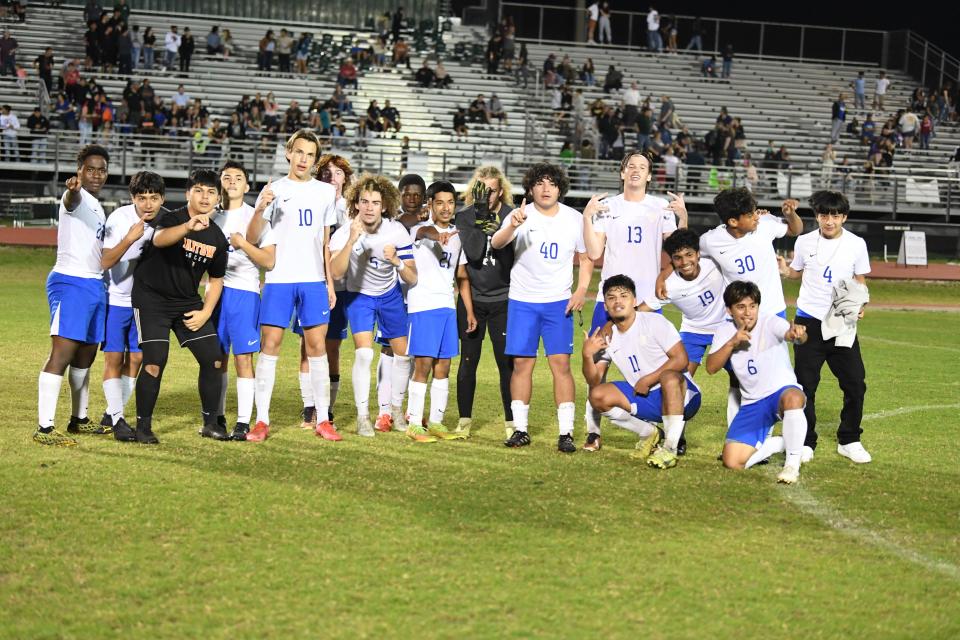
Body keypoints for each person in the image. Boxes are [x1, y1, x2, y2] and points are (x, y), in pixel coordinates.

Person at [660, 188, 802, 427]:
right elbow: (684, 252)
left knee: (772, 376)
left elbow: (795, 230)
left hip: (772, 313)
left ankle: (772, 431)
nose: (756, 216)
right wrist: (662, 275)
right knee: (740, 376)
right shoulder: (711, 240)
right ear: (734, 221)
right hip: (739, 318)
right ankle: (738, 429)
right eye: (751, 214)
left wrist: (790, 215)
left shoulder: (765, 224)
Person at [579, 152, 686, 451]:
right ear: (622, 173)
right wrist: (587, 217)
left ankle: (672, 425)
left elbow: (677, 249)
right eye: (631, 167)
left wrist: (684, 217)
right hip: (610, 301)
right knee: (597, 370)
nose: (636, 171)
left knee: (658, 367)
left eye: (643, 167)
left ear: (650, 176)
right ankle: (593, 431)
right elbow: (594, 250)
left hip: (647, 303)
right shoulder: (607, 207)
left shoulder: (661, 208)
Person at [244, 130, 339, 443]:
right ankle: (261, 420)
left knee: (317, 348)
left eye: (310, 155)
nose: (304, 159)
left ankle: (323, 419)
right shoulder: (274, 189)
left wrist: (329, 282)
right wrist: (260, 207)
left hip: (313, 280)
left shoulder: (326, 192)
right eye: (299, 152)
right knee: (269, 346)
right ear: (288, 153)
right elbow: (253, 235)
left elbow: (325, 243)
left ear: (315, 160)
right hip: (279, 279)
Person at [491, 163, 592, 452]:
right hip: (523, 300)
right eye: (540, 183)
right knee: (522, 365)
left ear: (560, 188)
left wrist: (581, 290)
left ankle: (566, 433)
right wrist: (512, 224)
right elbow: (497, 244)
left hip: (558, 302)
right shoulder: (519, 214)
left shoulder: (574, 219)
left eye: (552, 183)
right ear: (531, 187)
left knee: (560, 365)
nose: (546, 189)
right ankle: (520, 429)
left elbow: (586, 259)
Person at [129, 170, 229, 444]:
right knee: (154, 361)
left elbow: (216, 280)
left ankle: (210, 423)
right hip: (152, 300)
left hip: (187, 302)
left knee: (214, 359)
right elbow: (159, 240)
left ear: (218, 198)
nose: (205, 197)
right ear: (188, 194)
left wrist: (206, 311)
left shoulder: (219, 238)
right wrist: (187, 227)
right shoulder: (170, 218)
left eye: (211, 192)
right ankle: (143, 427)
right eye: (199, 190)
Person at [778, 190, 872, 464]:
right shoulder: (805, 241)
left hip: (842, 322)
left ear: (843, 217)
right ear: (817, 216)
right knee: (806, 384)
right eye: (823, 215)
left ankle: (850, 439)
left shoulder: (857, 244)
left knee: (855, 383)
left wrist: (861, 303)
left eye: (835, 215)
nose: (829, 221)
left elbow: (860, 281)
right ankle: (806, 441)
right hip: (808, 322)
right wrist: (786, 271)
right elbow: (797, 273)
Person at [329, 174, 417, 437]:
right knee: (365, 354)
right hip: (360, 297)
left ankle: (396, 411)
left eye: (375, 202)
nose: (369, 207)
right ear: (355, 204)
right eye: (364, 201)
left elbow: (412, 277)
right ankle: (362, 416)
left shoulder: (396, 231)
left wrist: (397, 262)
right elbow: (335, 273)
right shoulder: (346, 232)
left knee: (404, 356)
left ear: (384, 205)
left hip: (390, 296)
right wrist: (350, 243)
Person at [582, 275, 701, 469]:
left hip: (684, 396)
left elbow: (681, 360)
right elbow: (594, 380)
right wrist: (587, 356)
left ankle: (669, 449)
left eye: (624, 295)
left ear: (634, 301)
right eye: (611, 298)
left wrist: (649, 379)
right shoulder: (606, 337)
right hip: (645, 399)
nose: (617, 301)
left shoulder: (654, 322)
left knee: (669, 377)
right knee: (597, 396)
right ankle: (649, 433)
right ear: (605, 306)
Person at [35, 145, 111, 446]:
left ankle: (78, 420)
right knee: (63, 354)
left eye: (101, 169)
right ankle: (44, 428)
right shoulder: (76, 198)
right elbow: (70, 199)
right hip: (71, 282)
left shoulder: (98, 206)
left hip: (95, 285)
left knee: (86, 356)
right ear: (79, 170)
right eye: (90, 168)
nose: (96, 174)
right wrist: (72, 190)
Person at [705, 281, 809, 484]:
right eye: (741, 307)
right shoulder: (724, 331)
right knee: (732, 462)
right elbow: (711, 367)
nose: (748, 313)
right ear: (729, 310)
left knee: (794, 396)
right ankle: (779, 444)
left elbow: (792, 335)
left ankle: (791, 465)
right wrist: (732, 343)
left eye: (752, 306)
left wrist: (798, 334)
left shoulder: (769, 321)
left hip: (780, 393)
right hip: (752, 402)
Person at [403, 181, 474, 442]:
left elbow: (462, 276)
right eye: (440, 202)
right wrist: (437, 236)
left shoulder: (457, 236)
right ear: (430, 204)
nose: (446, 208)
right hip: (423, 306)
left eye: (450, 203)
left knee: (443, 366)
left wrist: (469, 311)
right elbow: (425, 231)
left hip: (446, 307)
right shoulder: (417, 231)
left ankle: (436, 423)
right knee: (422, 366)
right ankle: (414, 424)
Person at [211, 161, 276, 441]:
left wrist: (243, 243)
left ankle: (242, 420)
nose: (233, 181)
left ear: (247, 186)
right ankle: (217, 415)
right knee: (216, 359)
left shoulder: (256, 216)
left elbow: (269, 261)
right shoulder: (210, 216)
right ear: (220, 183)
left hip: (244, 294)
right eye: (227, 177)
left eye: (239, 178)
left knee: (242, 359)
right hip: (216, 293)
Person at [98, 171, 165, 440]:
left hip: (145, 305)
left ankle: (112, 413)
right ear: (132, 198)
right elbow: (105, 262)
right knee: (114, 358)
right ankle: (117, 420)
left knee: (137, 358)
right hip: (116, 300)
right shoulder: (120, 219)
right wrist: (130, 238)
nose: (148, 204)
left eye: (154, 198)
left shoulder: (167, 222)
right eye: (141, 198)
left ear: (162, 198)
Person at [454, 167, 516, 437]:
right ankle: (464, 421)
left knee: (507, 364)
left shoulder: (512, 216)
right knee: (468, 362)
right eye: (481, 189)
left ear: (500, 191)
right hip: (473, 300)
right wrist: (480, 215)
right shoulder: (465, 216)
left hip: (504, 299)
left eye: (491, 190)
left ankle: (513, 423)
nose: (486, 195)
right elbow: (474, 253)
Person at [646, 229, 726, 378]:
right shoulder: (668, 286)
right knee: (679, 380)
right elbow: (641, 310)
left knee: (741, 375)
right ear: (672, 260)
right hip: (693, 331)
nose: (685, 262)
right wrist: (609, 325)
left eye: (689, 255)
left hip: (726, 326)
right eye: (678, 258)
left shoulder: (714, 262)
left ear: (698, 253)